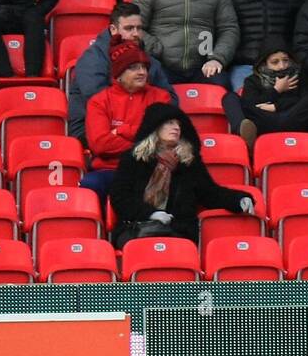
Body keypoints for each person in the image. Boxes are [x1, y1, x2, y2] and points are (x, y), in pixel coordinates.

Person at [108, 103, 255, 248]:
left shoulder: (188, 161)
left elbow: (210, 193)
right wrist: (151, 214)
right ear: (155, 126)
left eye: (178, 124)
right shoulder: (134, 158)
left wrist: (239, 199)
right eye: (170, 123)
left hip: (176, 231)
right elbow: (120, 197)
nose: (176, 128)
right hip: (135, 229)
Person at [68, 1, 176, 143]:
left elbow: (171, 100)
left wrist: (132, 128)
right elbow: (97, 98)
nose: (136, 34)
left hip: (136, 128)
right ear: (113, 29)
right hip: (93, 128)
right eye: (129, 28)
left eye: (139, 28)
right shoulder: (93, 58)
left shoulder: (147, 59)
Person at [82, 36, 173, 198]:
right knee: (90, 184)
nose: (142, 72)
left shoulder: (161, 97)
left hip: (150, 169)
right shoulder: (99, 101)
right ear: (119, 74)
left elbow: (163, 138)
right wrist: (144, 143)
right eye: (134, 68)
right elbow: (100, 144)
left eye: (144, 67)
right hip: (110, 169)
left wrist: (122, 130)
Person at [237, 37, 308, 149]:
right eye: (275, 62)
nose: (282, 66)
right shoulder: (253, 80)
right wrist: (276, 90)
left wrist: (276, 107)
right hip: (265, 122)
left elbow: (304, 101)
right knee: (230, 97)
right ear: (264, 63)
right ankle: (243, 140)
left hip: (294, 119)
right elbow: (250, 104)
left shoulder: (299, 76)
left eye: (285, 60)